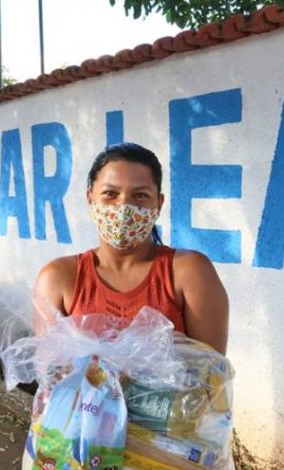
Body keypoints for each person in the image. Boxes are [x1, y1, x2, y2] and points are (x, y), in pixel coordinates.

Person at [34, 142, 228, 354]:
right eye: (110, 193)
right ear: (90, 199)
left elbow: (211, 375)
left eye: (140, 195)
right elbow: (50, 374)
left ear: (159, 204)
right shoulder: (59, 278)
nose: (124, 208)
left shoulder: (189, 272)